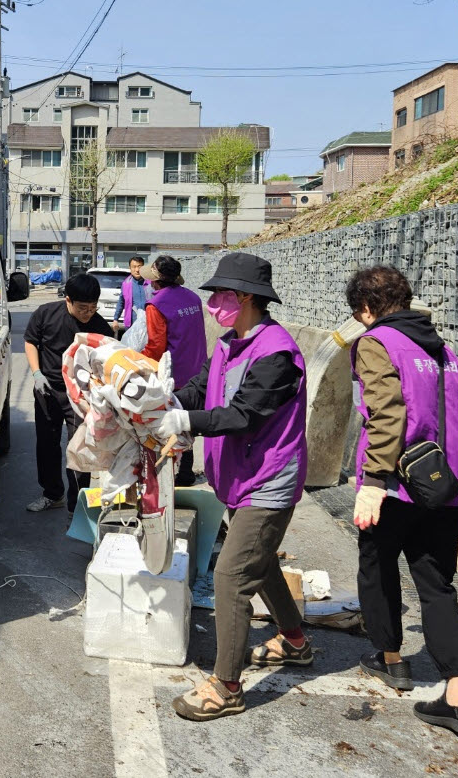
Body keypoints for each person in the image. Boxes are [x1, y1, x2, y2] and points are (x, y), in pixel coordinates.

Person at [153, 252, 314, 721]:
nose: (213, 304)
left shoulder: (277, 353)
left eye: (220, 295)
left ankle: (226, 686)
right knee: (258, 565)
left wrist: (185, 421)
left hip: (269, 480)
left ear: (245, 297)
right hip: (239, 479)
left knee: (230, 574)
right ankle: (297, 642)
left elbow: (245, 413)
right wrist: (164, 400)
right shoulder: (228, 342)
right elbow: (203, 388)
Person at [347, 265, 458, 743]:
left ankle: (391, 661)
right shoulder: (442, 348)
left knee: (378, 564)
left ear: (366, 309)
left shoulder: (376, 342)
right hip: (446, 484)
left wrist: (372, 480)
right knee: (436, 584)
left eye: (360, 314)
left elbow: (388, 413)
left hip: (399, 483)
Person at [23, 273, 114, 514]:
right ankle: (52, 495)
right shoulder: (46, 313)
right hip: (48, 389)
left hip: (81, 396)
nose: (88, 313)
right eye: (82, 308)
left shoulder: (99, 327)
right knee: (46, 444)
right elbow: (31, 341)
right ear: (68, 300)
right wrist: (36, 374)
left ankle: (78, 505)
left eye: (93, 308)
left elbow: (108, 361)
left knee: (79, 447)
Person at [140, 255, 206, 487]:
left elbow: (156, 347)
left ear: (156, 281)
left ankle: (165, 476)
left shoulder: (156, 305)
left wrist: (138, 364)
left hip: (173, 376)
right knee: (188, 422)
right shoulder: (193, 298)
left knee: (168, 425)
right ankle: (186, 471)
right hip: (198, 371)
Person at [113, 256, 150, 334]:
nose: (137, 270)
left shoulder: (151, 283)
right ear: (130, 268)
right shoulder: (126, 284)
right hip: (131, 324)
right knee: (131, 346)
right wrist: (115, 319)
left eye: (139, 267)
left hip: (149, 323)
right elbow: (121, 302)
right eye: (134, 267)